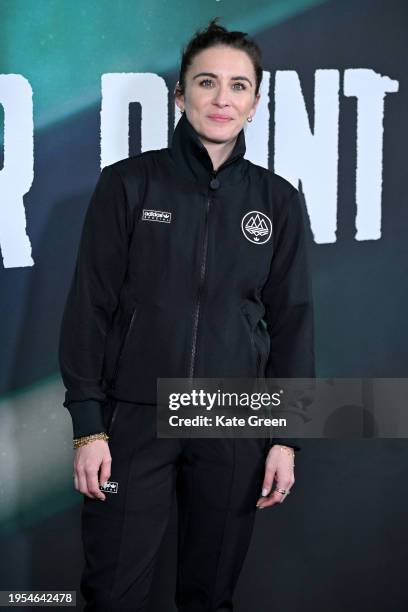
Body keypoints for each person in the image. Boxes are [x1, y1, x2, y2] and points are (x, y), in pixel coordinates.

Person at [58, 17, 315, 612]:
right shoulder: (127, 185)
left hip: (233, 420)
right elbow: (89, 308)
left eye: (238, 86)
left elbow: (295, 322)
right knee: (111, 593)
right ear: (180, 94)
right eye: (206, 82)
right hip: (133, 417)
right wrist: (89, 426)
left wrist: (288, 438)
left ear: (255, 103)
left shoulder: (278, 201)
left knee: (210, 595)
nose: (222, 99)